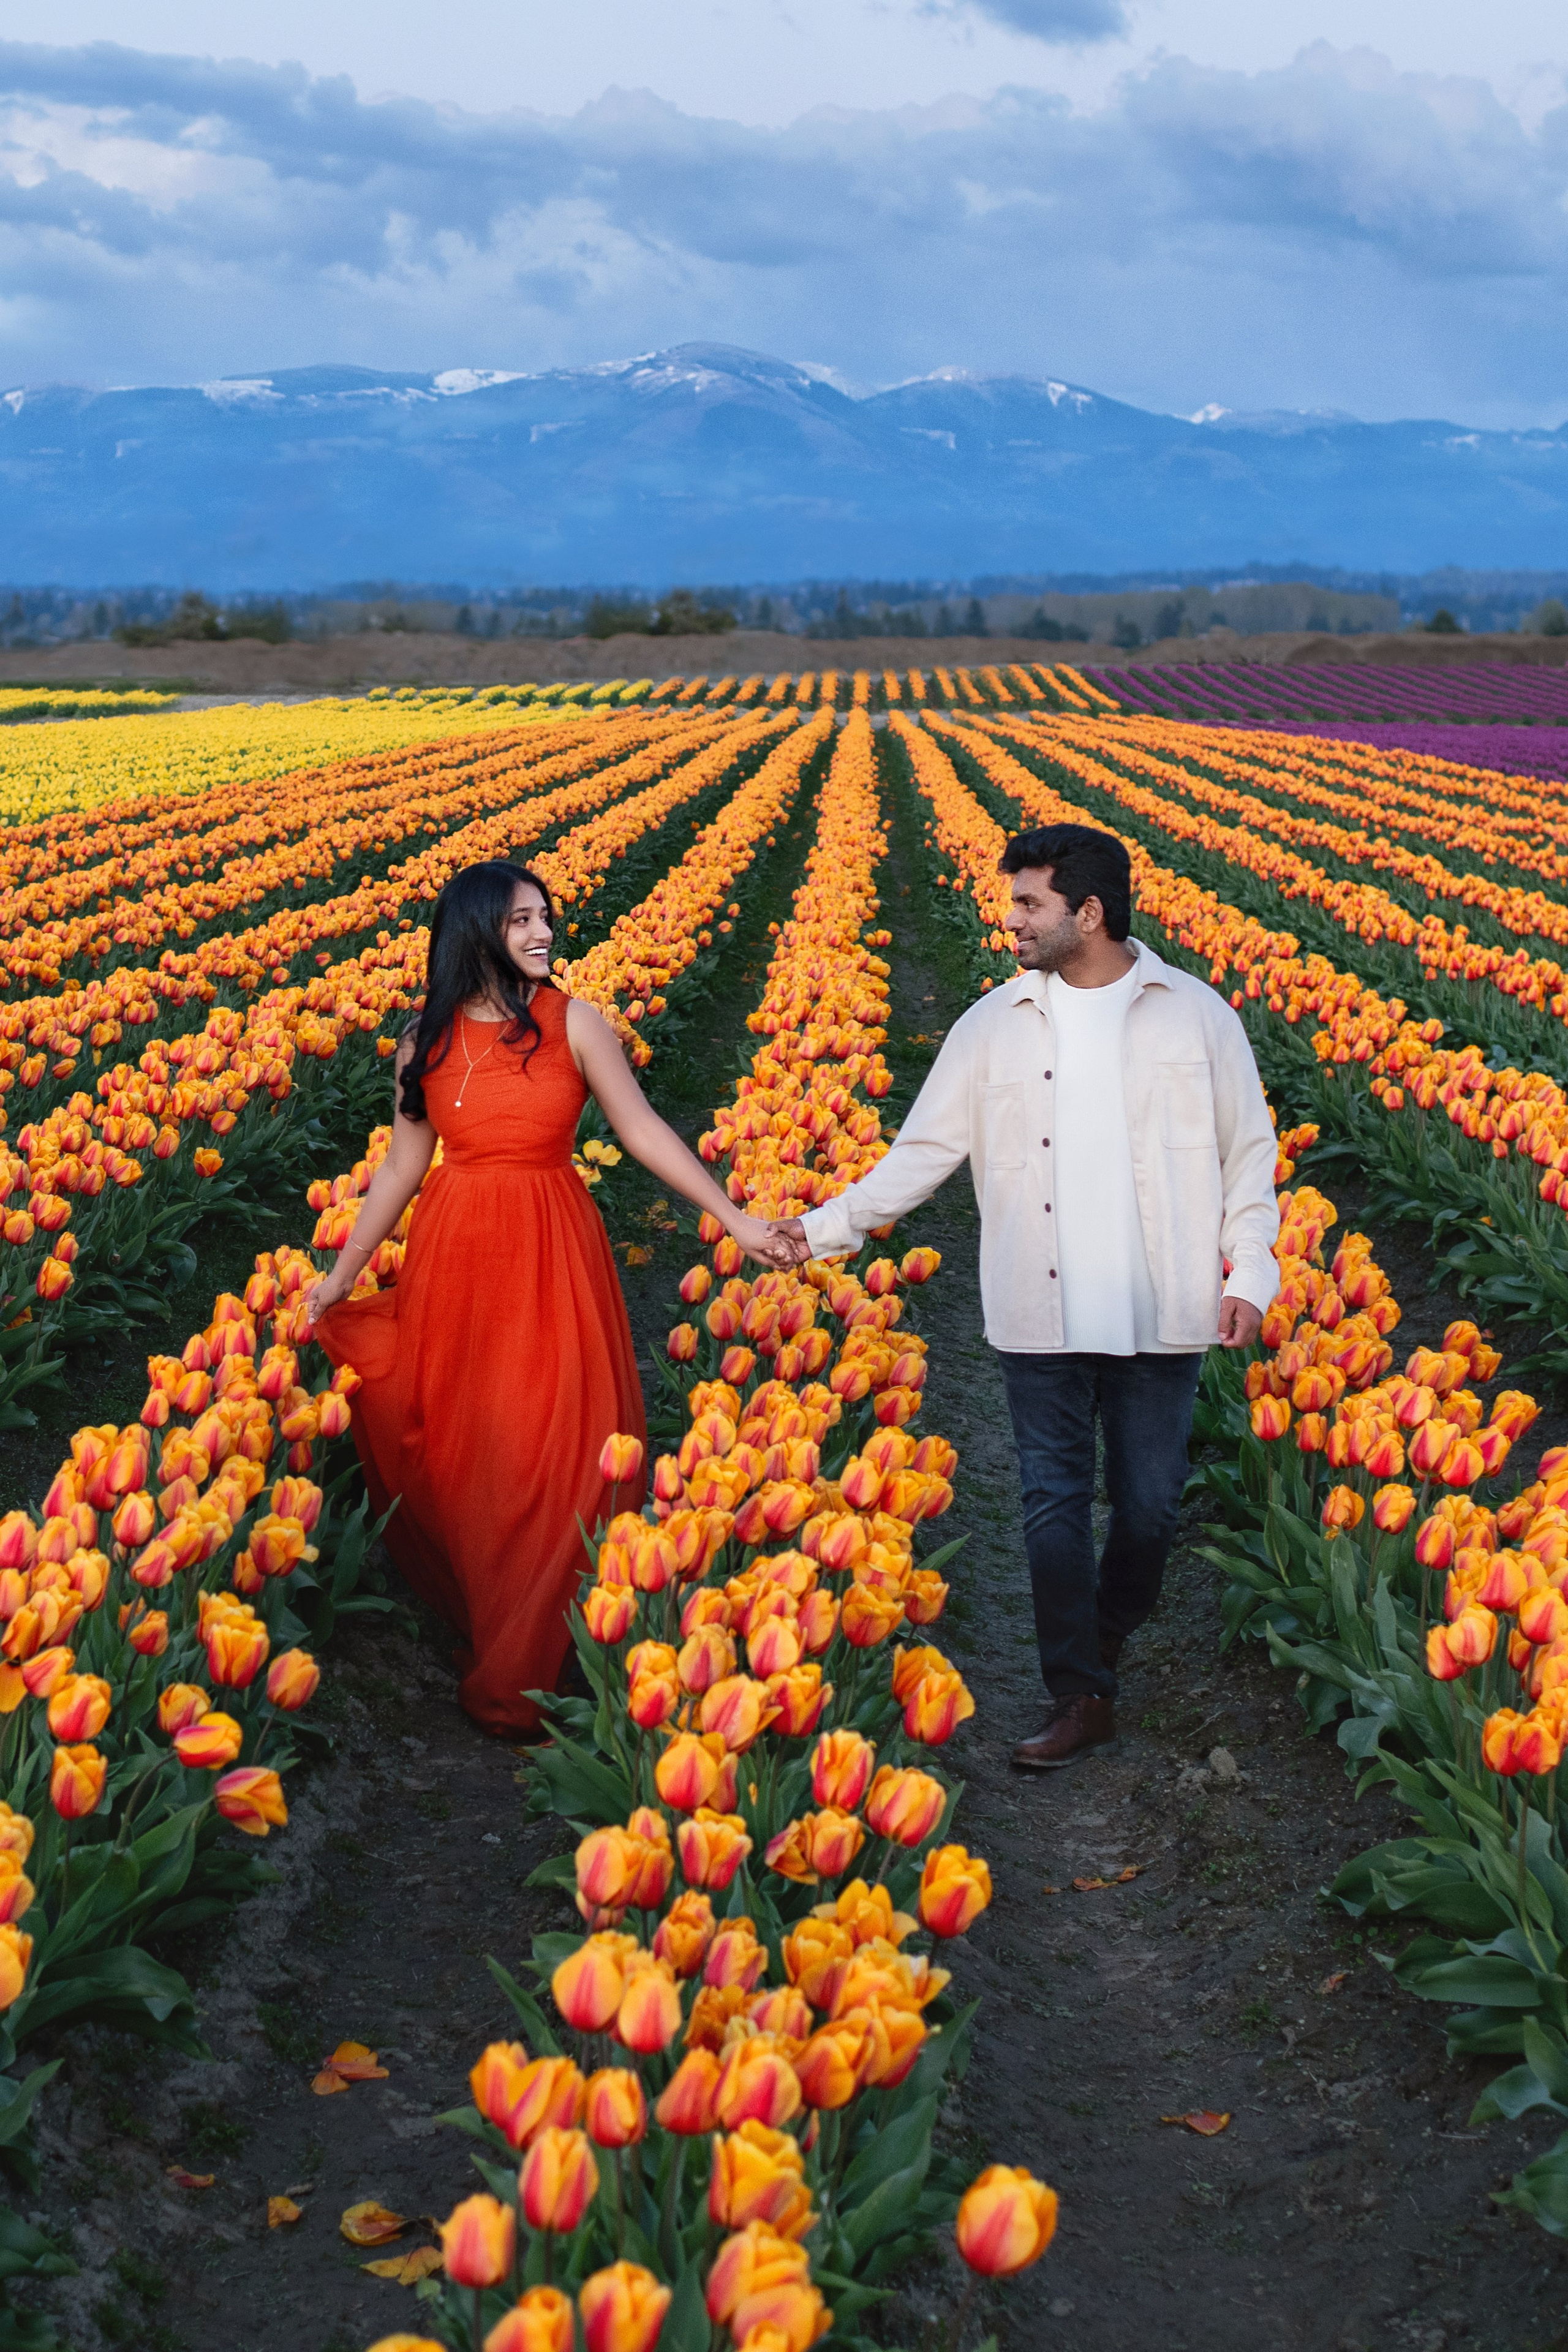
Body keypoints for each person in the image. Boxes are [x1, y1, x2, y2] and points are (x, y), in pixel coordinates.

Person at [770, 822, 1280, 1770]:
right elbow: (919, 1154)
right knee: (1051, 1504)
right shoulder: (993, 1024)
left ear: (1087, 914)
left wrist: (1249, 1271)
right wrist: (820, 1231)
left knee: (1149, 1510)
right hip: (1038, 1311)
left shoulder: (1196, 1015)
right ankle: (1079, 1691)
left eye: (1028, 904)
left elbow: (1248, 1151)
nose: (1010, 921)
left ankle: (1104, 1636)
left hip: (1160, 1309)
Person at [309, 859, 794, 1737]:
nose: (543, 934)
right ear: (475, 933)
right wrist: (342, 1278)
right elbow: (401, 1166)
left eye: (546, 917)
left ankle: (543, 1652)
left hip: (550, 1247)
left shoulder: (575, 1025)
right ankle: (494, 1617)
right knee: (472, 1445)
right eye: (523, 920)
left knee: (558, 1442)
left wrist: (733, 1216)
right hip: (456, 1256)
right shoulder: (424, 1042)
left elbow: (641, 1127)